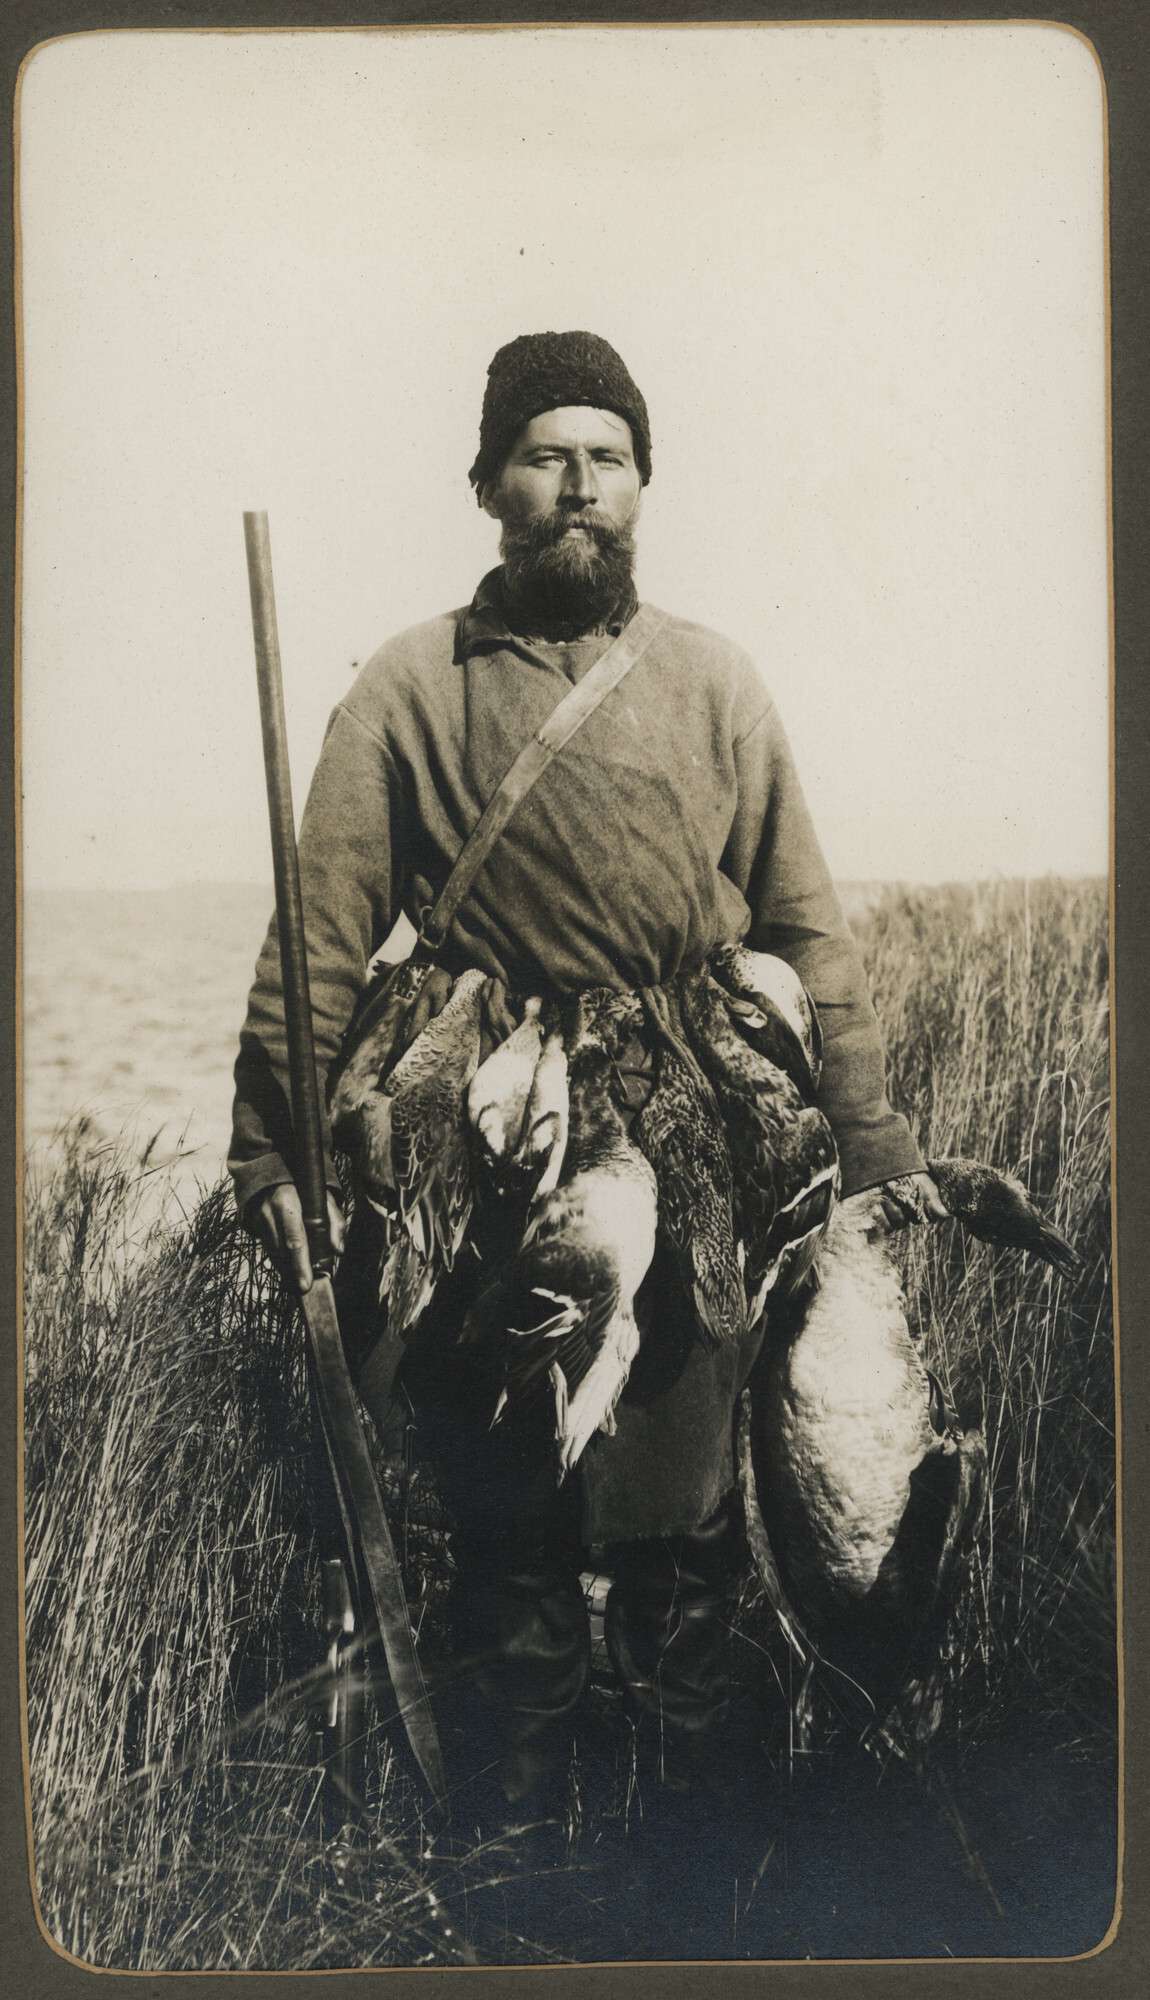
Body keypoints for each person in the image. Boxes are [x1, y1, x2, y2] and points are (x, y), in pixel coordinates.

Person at [229, 330, 947, 1852]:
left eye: (606, 458)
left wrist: (871, 1143)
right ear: (488, 483)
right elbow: (320, 938)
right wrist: (269, 1151)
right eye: (543, 456)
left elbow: (807, 931)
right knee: (513, 1523)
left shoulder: (713, 681)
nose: (576, 487)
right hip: (486, 1128)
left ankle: (701, 1862)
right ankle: (515, 1867)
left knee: (685, 1514)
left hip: (690, 1121)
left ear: (641, 485)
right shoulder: (407, 687)